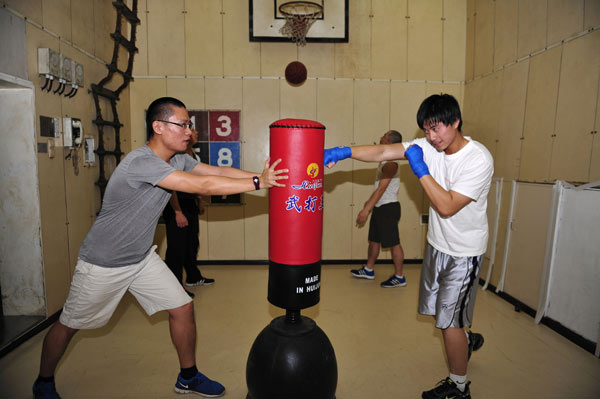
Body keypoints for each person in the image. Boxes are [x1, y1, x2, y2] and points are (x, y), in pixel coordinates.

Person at [32, 97, 288, 399]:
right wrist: (259, 182)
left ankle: (188, 377)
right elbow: (202, 187)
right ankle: (44, 381)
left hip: (140, 258)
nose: (189, 132)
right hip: (104, 262)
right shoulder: (141, 163)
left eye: (189, 125)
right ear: (158, 126)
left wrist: (267, 178)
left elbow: (212, 172)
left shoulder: (178, 158)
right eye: (183, 125)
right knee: (69, 325)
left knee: (183, 307)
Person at [324, 94, 491, 399]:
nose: (431, 137)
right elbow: (383, 151)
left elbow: (447, 206)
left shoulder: (478, 159)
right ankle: (465, 342)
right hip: (438, 246)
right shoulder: (429, 145)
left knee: (448, 321)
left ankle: (459, 387)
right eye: (426, 130)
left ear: (455, 122)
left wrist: (421, 170)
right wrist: (344, 151)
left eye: (437, 129)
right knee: (440, 316)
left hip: (463, 252)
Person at [350, 130, 407, 288]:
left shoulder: (391, 164)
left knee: (394, 243)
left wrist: (366, 209)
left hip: (389, 208)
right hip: (380, 206)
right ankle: (369, 269)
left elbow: (381, 189)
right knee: (374, 240)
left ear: (389, 142)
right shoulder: (384, 160)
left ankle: (399, 277)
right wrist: (370, 205)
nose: (380, 137)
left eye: (384, 136)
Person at [162, 128, 213, 299]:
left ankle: (193, 277)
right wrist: (178, 212)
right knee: (176, 249)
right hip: (177, 206)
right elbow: (172, 187)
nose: (196, 134)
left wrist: (198, 201)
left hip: (189, 204)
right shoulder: (175, 156)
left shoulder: (190, 154)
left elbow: (193, 183)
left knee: (191, 244)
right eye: (194, 132)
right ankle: (174, 288)